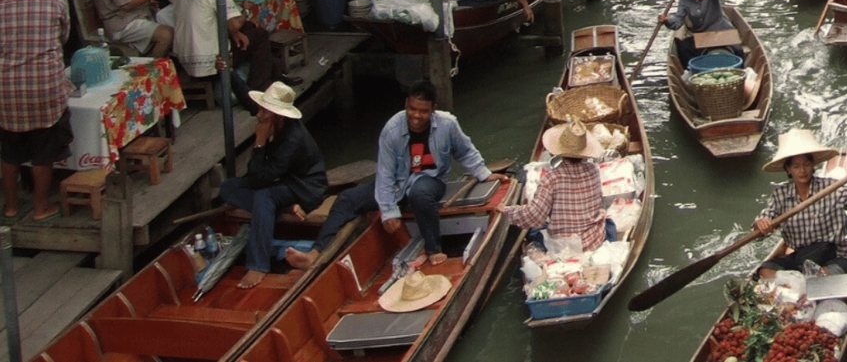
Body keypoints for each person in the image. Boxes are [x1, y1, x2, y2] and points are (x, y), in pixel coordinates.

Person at [288, 79, 499, 271]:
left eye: (423, 111)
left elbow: (465, 151)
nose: (416, 116)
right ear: (406, 103)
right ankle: (315, 254)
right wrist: (389, 211)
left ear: (433, 109)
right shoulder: (392, 130)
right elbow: (385, 174)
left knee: (420, 194)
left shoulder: (447, 124)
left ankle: (434, 249)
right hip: (397, 183)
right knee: (346, 199)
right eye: (412, 109)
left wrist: (483, 174)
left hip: (429, 180)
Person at [217, 82, 327, 288]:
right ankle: (275, 209)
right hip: (281, 182)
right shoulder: (273, 126)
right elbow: (253, 177)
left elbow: (260, 180)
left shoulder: (292, 139)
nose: (259, 115)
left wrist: (259, 142)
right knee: (228, 187)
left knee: (263, 197)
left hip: (303, 187)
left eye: (264, 111)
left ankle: (258, 264)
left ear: (278, 115)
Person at [0, 0, 73, 222]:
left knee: (9, 148)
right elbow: (63, 37)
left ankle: (10, 206)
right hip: (45, 85)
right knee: (43, 149)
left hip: (6, 87)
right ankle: (41, 207)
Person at [751, 130, 847, 279]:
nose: (802, 170)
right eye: (796, 166)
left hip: (833, 257)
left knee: (819, 278)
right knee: (765, 271)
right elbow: (760, 227)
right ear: (788, 169)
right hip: (801, 258)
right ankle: (799, 283)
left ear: (812, 165)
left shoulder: (829, 188)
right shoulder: (780, 194)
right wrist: (762, 225)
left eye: (806, 164)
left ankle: (801, 284)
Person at [501, 116, 610, 251]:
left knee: (534, 231)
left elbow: (534, 216)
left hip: (564, 246)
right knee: (607, 222)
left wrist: (507, 211)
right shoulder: (593, 170)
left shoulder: (552, 178)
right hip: (593, 239)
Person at [174, 0, 274, 95]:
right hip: (213, 65)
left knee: (248, 28)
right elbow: (234, 25)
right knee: (261, 35)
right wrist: (245, 9)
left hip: (185, 63)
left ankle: (271, 74)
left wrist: (236, 32)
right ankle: (258, 87)